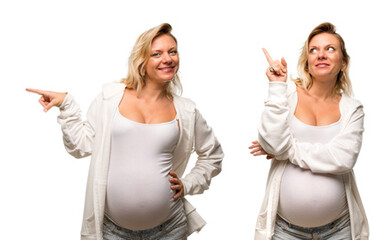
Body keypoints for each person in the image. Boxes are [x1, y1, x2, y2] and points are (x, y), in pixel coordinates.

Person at [25, 23, 223, 239]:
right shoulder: (110, 98)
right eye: (156, 54)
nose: (168, 59)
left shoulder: (186, 110)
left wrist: (188, 183)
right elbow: (80, 146)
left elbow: (212, 155)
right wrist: (67, 105)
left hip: (170, 228)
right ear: (142, 60)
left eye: (172, 51)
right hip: (113, 231)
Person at [249, 22, 369, 240]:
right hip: (285, 231)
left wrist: (286, 150)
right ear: (307, 62)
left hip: (339, 230)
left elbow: (343, 158)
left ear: (343, 62)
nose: (321, 55)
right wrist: (277, 86)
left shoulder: (353, 109)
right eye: (313, 50)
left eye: (330, 49)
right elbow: (272, 143)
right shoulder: (287, 94)